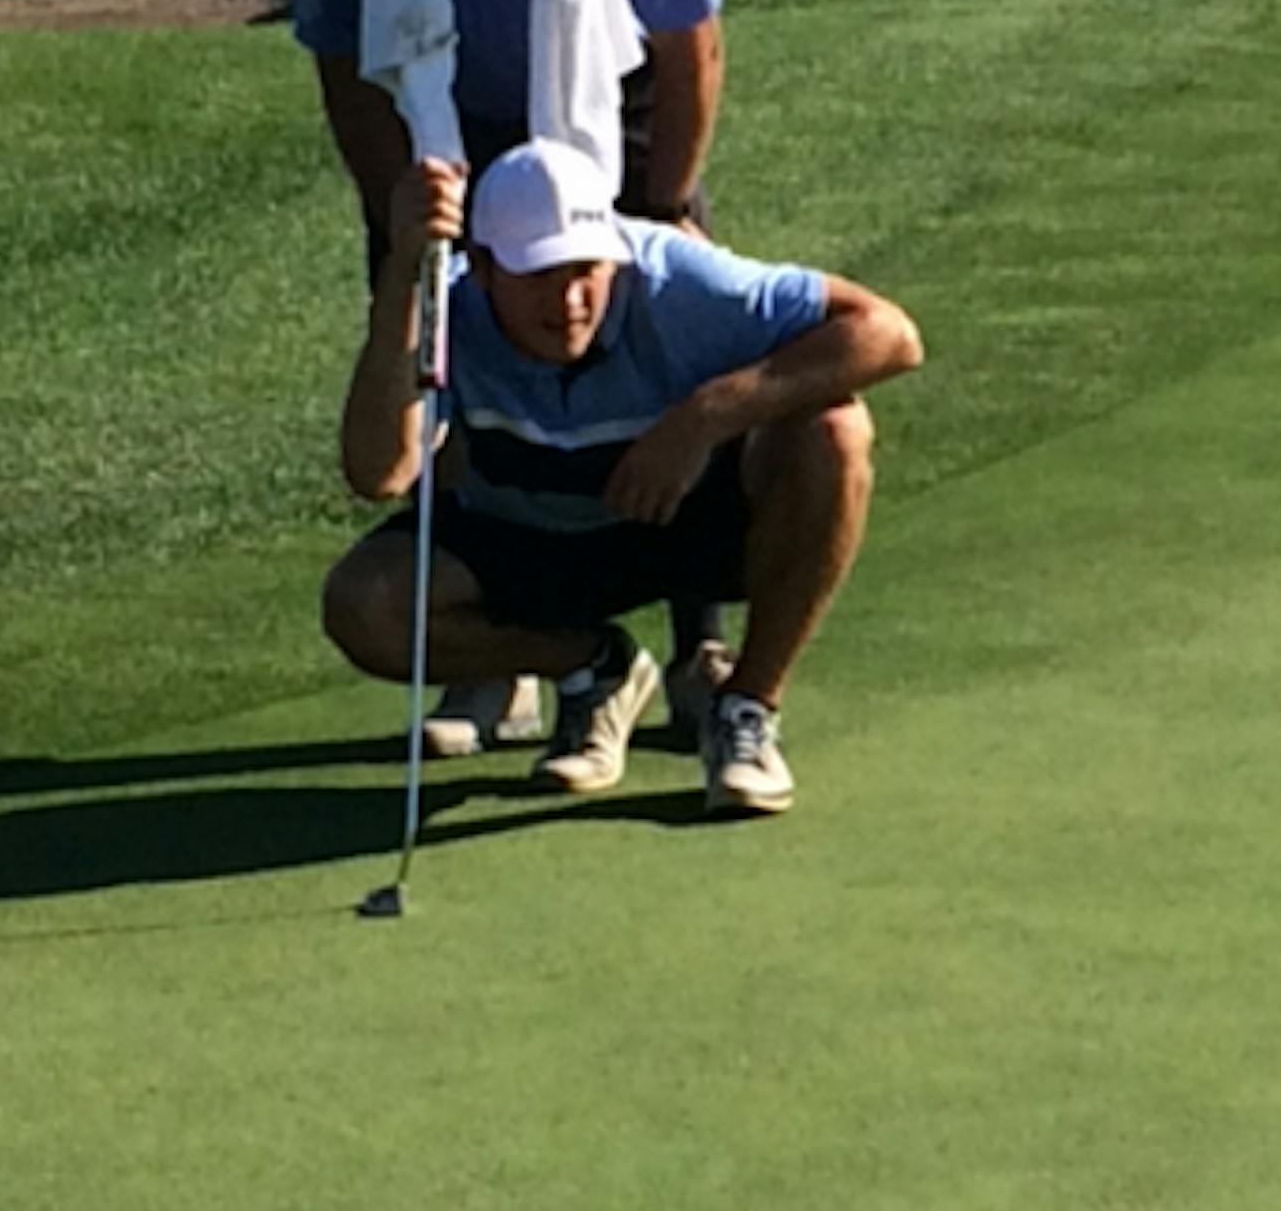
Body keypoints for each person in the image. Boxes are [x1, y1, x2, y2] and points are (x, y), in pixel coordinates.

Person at [293, 0, 729, 755]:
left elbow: (690, 55)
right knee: (442, 380)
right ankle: (510, 659)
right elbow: (349, 74)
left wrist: (665, 205)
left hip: (610, 124)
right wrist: (397, 221)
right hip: (442, 135)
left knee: (657, 358)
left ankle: (701, 646)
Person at [321, 139, 923, 821]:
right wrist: (403, 276)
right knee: (364, 605)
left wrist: (701, 419)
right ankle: (593, 666)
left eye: (586, 270)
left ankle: (747, 709)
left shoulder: (674, 278)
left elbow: (889, 333)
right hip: (529, 538)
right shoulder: (446, 303)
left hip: (679, 523)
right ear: (485, 268)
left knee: (834, 432)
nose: (572, 299)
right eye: (540, 275)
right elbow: (380, 471)